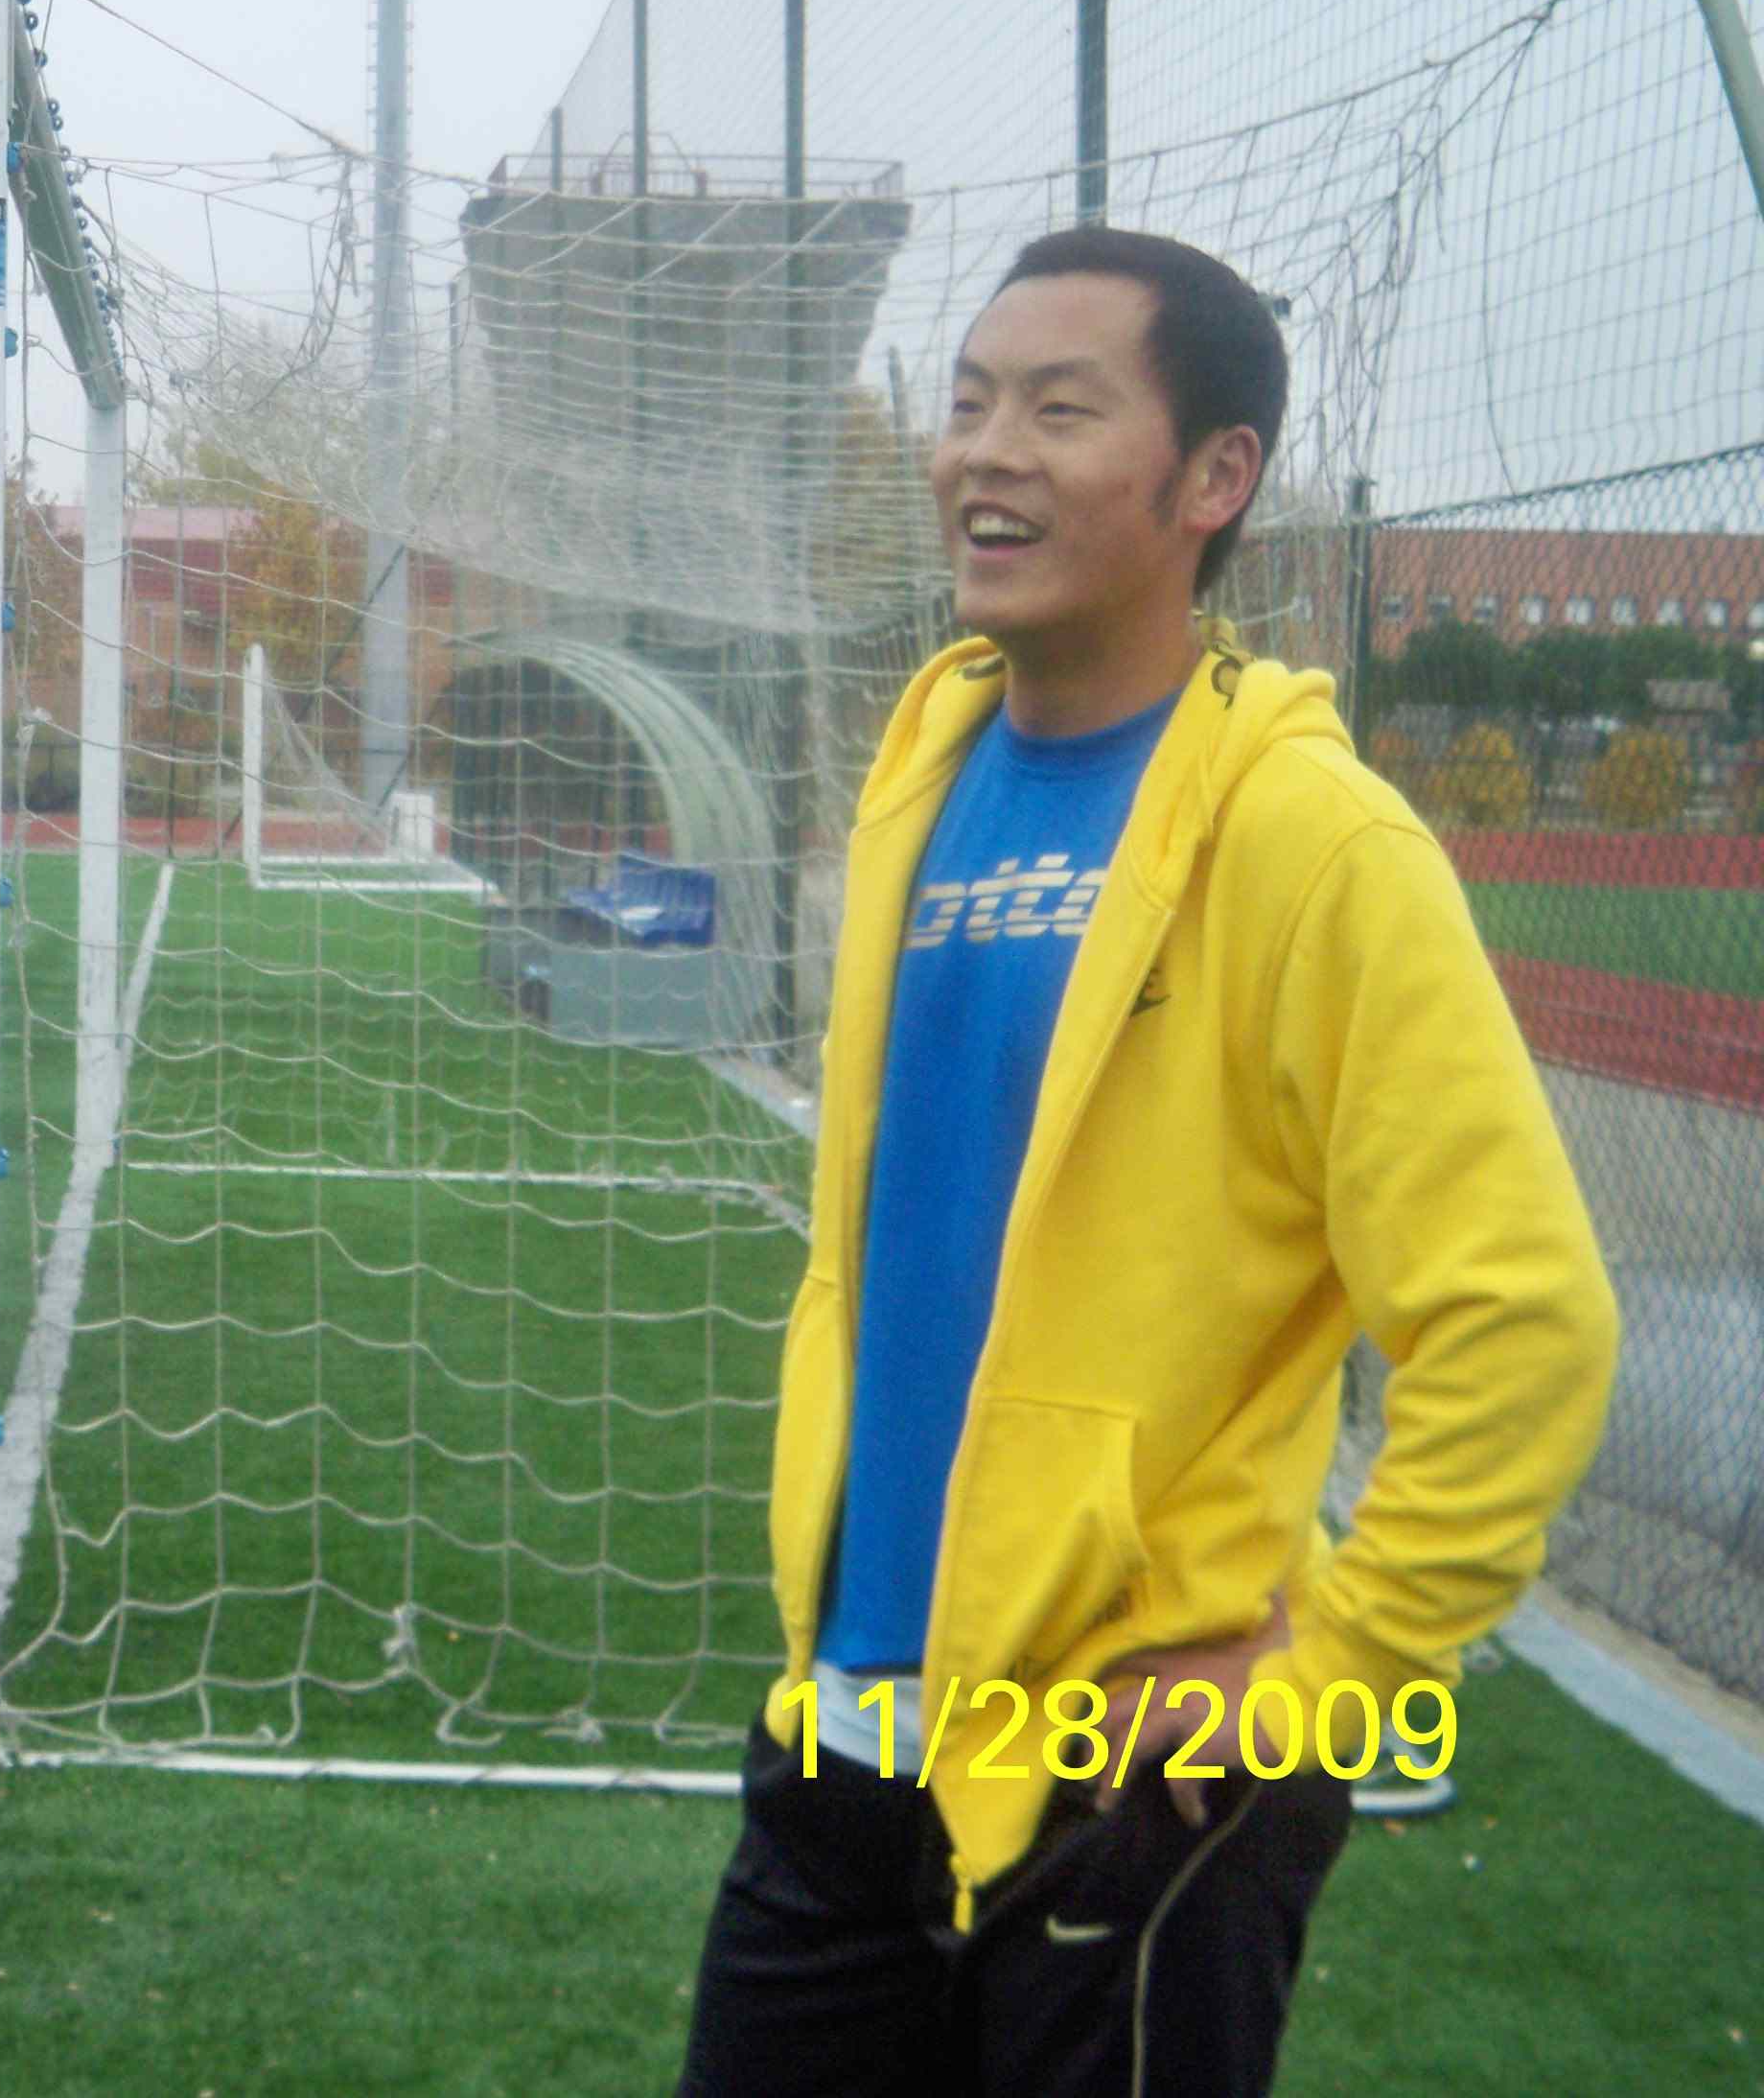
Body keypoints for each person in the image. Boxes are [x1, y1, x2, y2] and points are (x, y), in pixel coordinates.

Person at [676, 227, 1618, 2098]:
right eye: (963, 405)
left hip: (1138, 1782)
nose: (981, 452)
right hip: (849, 1746)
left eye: (1055, 408)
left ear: (1211, 479)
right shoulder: (917, 778)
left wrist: (1329, 1673)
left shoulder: (1308, 841)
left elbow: (1523, 1324)